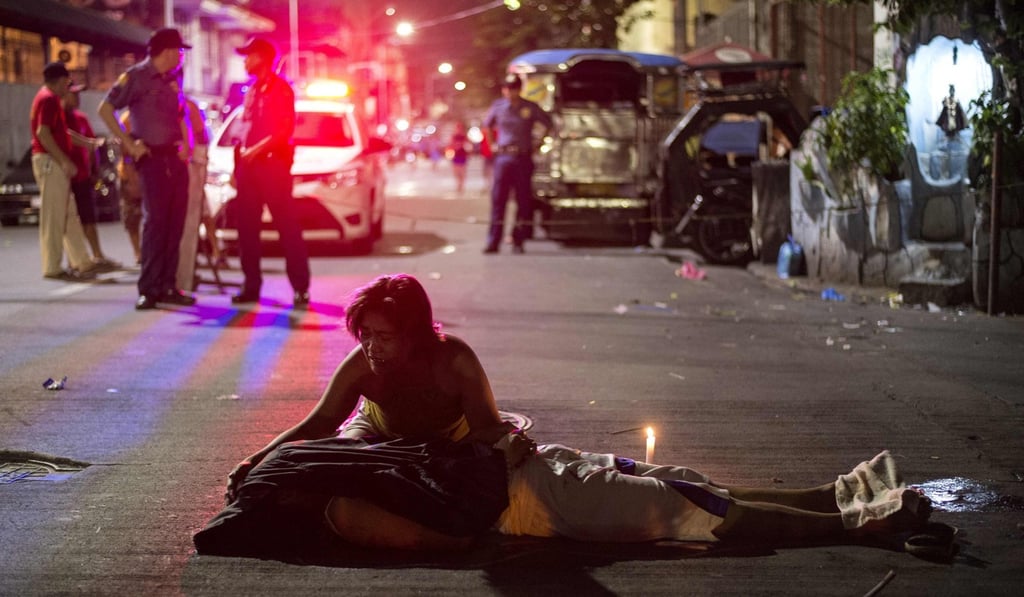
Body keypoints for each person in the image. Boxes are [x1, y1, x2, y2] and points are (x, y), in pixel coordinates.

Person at [224, 273, 518, 502]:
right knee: (336, 473)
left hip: (448, 443)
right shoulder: (360, 365)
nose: (372, 348)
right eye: (366, 335)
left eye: (385, 338)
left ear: (413, 336)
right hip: (375, 434)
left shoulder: (455, 361)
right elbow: (320, 422)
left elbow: (489, 430)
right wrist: (257, 459)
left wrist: (438, 457)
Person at [98, 27, 195, 311]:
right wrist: (128, 143)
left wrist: (186, 143)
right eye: (178, 51)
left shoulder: (173, 77)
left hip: (174, 159)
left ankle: (168, 285)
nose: (180, 56)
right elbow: (106, 109)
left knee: (175, 223)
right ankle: (149, 288)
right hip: (151, 159)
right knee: (155, 223)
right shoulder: (136, 77)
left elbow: (179, 114)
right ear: (166, 52)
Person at [229, 36, 311, 309]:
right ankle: (251, 285)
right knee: (247, 229)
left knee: (287, 228)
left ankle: (300, 288)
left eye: (249, 56)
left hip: (273, 167)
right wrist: (236, 165)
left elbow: (284, 131)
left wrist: (256, 151)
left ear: (262, 58)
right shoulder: (251, 90)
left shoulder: (281, 90)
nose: (245, 61)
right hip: (248, 170)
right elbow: (243, 130)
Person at [30, 61, 100, 282]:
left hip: (52, 161)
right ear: (61, 80)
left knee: (69, 214)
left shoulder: (47, 98)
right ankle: (52, 266)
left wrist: (86, 143)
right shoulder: (49, 99)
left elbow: (62, 132)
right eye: (67, 82)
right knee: (53, 216)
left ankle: (82, 260)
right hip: (51, 162)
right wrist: (64, 161)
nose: (68, 88)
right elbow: (43, 133)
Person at [481, 73, 553, 254]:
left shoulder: (530, 107)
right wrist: (492, 146)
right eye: (506, 88)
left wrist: (538, 144)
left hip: (523, 158)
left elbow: (549, 124)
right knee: (499, 200)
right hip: (504, 157)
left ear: (519, 89)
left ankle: (518, 240)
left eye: (513, 88)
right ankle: (493, 241)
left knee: (523, 201)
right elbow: (487, 125)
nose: (509, 92)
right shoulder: (498, 107)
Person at [63, 83, 120, 271]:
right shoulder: (59, 118)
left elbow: (93, 145)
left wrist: (94, 171)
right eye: (73, 94)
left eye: (79, 94)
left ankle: (97, 255)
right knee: (69, 219)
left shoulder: (81, 118)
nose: (77, 98)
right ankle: (75, 259)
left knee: (88, 217)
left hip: (83, 176)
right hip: (66, 176)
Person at [176, 96, 212, 292]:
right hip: (174, 172)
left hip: (188, 172)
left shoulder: (186, 105)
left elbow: (199, 139)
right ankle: (177, 277)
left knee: (188, 228)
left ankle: (183, 278)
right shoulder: (162, 103)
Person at [116, 111, 143, 265]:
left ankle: (148, 251)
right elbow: (124, 152)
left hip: (148, 175)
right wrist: (133, 179)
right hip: (129, 175)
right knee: (132, 217)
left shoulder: (150, 114)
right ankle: (138, 252)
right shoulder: (128, 119)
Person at [447, 122, 470, 193]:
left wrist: (464, 146)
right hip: (455, 156)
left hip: (463, 155)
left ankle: (461, 185)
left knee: (462, 171)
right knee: (456, 171)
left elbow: (468, 145)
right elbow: (450, 145)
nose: (459, 129)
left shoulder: (464, 136)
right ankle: (458, 183)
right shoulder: (453, 136)